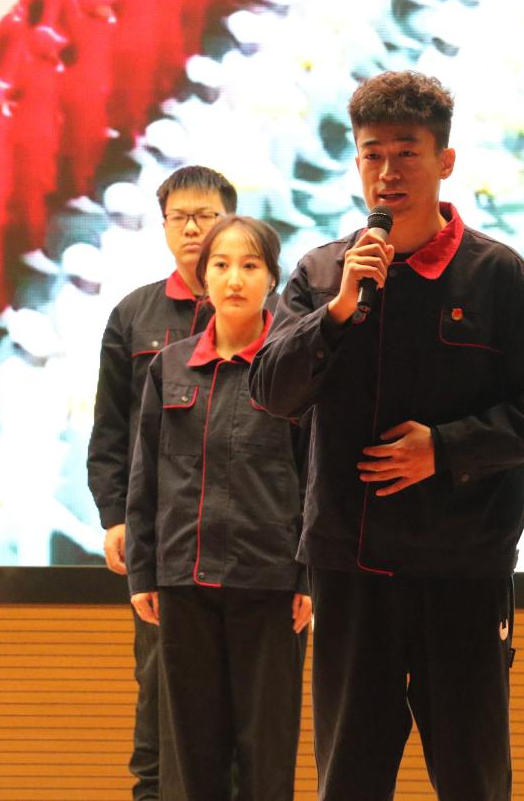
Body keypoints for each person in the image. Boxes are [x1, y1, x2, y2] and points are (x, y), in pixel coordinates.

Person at [249, 70, 524, 800]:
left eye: (407, 153)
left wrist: (447, 448)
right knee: (349, 777)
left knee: (472, 778)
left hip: (463, 568)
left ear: (445, 161)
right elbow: (271, 392)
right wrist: (337, 312)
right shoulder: (321, 273)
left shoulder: (496, 274)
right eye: (372, 154)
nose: (388, 172)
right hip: (350, 566)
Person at [126, 215, 311, 800]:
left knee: (266, 755)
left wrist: (309, 578)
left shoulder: (293, 368)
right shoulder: (170, 366)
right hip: (184, 585)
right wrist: (142, 573)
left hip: (270, 587)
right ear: (203, 277)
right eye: (222, 265)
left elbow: (315, 481)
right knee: (190, 757)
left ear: (272, 279)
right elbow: (146, 478)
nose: (235, 279)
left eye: (250, 265)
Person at [86, 165, 236, 800]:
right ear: (165, 226)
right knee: (158, 704)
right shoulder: (134, 314)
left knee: (239, 715)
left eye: (206, 216)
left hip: (245, 544)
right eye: (180, 217)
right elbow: (110, 431)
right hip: (163, 543)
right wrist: (115, 518)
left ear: (231, 221)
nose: (193, 229)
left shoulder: (269, 314)